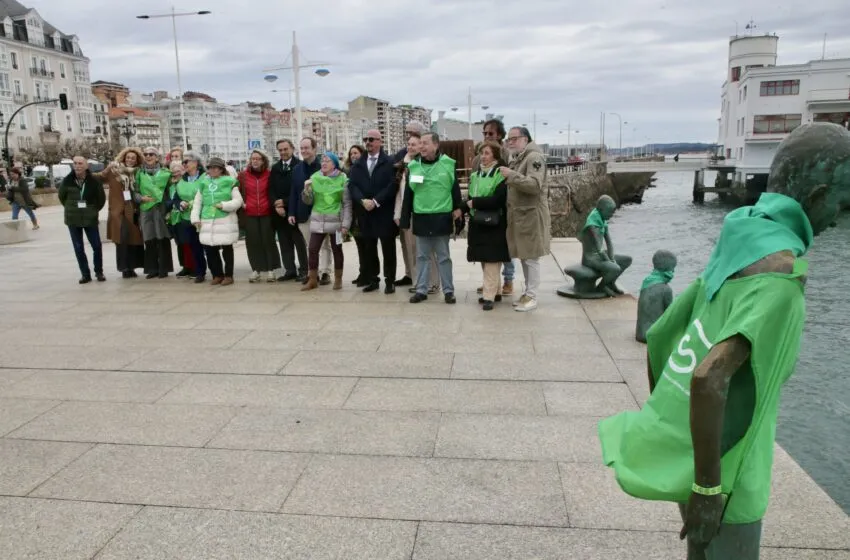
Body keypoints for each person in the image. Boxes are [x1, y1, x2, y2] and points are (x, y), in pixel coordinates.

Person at [599, 123, 847, 560]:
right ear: (817, 196)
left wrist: (678, 434)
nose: (838, 218)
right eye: (842, 203)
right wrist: (709, 487)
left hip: (696, 451)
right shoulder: (779, 279)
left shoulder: (738, 238)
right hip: (730, 473)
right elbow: (709, 376)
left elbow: (662, 334)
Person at [400, 132, 463, 304]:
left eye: (425, 143)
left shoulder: (448, 164)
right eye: (420, 143)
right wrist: (405, 219)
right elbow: (408, 196)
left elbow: (455, 190)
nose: (421, 146)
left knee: (443, 257)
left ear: (436, 145)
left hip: (442, 217)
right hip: (421, 217)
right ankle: (421, 290)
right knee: (422, 257)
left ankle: (448, 291)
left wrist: (459, 211)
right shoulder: (413, 166)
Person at [501, 126, 551, 312]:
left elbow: (535, 185)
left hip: (531, 216)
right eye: (509, 139)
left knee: (531, 258)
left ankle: (532, 295)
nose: (510, 142)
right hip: (522, 216)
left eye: (514, 139)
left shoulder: (534, 157)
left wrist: (511, 175)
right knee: (524, 256)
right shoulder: (520, 157)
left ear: (525, 139)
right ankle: (528, 293)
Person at [348, 129, 399, 294]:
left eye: (371, 139)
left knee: (388, 249)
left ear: (379, 141)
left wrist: (376, 201)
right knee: (369, 249)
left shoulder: (390, 162)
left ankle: (390, 281)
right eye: (366, 139)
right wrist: (362, 200)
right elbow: (352, 185)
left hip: (384, 212)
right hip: (365, 213)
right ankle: (373, 280)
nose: (368, 142)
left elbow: (393, 185)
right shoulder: (358, 164)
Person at [465, 141, 510, 311]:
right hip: (478, 222)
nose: (483, 157)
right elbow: (470, 197)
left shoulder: (500, 174)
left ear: (495, 156)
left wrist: (475, 203)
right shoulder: (476, 175)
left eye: (487, 153)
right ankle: (496, 291)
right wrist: (462, 208)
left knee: (492, 260)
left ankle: (488, 296)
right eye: (481, 153)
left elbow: (498, 199)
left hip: (495, 223)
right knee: (485, 258)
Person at [393, 133, 439, 293]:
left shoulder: (423, 164)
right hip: (407, 213)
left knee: (427, 250)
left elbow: (421, 187)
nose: (410, 147)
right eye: (409, 144)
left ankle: (433, 282)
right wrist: (397, 213)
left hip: (422, 211)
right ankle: (417, 281)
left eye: (414, 144)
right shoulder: (402, 166)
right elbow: (400, 193)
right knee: (411, 250)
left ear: (421, 146)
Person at [300, 152, 352, 291]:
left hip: (337, 222)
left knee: (337, 250)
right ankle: (312, 280)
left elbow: (347, 204)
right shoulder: (314, 177)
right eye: (322, 160)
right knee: (312, 249)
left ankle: (338, 279)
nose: (323, 163)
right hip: (318, 220)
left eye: (327, 161)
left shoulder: (342, 178)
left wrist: (345, 225)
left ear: (334, 164)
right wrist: (306, 190)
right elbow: (308, 201)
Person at [475, 119, 515, 296]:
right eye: (484, 133)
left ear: (499, 135)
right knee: (486, 248)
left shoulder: (507, 155)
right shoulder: (479, 156)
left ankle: (508, 280)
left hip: (503, 207)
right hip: (483, 208)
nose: (487, 136)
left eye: (490, 133)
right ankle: (490, 282)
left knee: (504, 246)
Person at [191, 157, 243, 286]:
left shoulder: (230, 181)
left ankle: (229, 275)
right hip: (207, 220)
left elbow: (238, 201)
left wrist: (224, 205)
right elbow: (197, 202)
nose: (212, 170)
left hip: (225, 219)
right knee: (210, 250)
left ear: (221, 169)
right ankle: (217, 274)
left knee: (227, 248)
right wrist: (195, 218)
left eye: (215, 168)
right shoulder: (203, 183)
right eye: (210, 168)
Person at [288, 137, 331, 285]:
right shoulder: (296, 169)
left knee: (324, 245)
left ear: (314, 149)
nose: (304, 151)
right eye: (302, 148)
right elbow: (294, 192)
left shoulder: (324, 167)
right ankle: (313, 273)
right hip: (303, 213)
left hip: (322, 212)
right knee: (310, 246)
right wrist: (291, 212)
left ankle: (325, 272)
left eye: (307, 148)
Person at [58, 156, 106, 284]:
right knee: (78, 248)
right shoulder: (67, 181)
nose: (77, 166)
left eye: (80, 163)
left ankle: (99, 272)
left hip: (90, 218)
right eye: (75, 163)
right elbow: (62, 197)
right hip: (73, 219)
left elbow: (101, 199)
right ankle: (85, 274)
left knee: (97, 246)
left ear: (86, 166)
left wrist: (93, 210)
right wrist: (71, 208)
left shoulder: (94, 181)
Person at [102, 147, 145, 278]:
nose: (130, 160)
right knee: (121, 239)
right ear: (123, 158)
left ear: (137, 160)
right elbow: (100, 177)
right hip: (118, 212)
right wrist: (107, 169)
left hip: (133, 210)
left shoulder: (138, 173)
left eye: (133, 158)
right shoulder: (114, 171)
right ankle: (124, 268)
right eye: (128, 157)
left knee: (133, 240)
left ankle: (131, 267)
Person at [239, 149, 280, 283]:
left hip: (266, 213)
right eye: (253, 159)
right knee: (252, 242)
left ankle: (270, 270)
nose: (255, 161)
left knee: (268, 241)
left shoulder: (269, 174)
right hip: (249, 213)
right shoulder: (243, 175)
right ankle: (256, 270)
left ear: (263, 161)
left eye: (258, 159)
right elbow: (236, 191)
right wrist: (242, 203)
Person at [579, 195, 632, 296]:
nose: (612, 215)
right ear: (601, 210)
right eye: (610, 212)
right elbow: (599, 248)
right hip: (590, 258)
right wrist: (610, 261)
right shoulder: (592, 225)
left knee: (627, 260)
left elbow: (609, 243)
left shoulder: (602, 221)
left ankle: (611, 283)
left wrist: (612, 258)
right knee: (615, 268)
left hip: (600, 257)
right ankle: (601, 287)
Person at [166, 157, 206, 283]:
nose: (184, 164)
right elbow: (176, 198)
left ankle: (218, 273)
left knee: (209, 247)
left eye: (186, 162)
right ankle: (199, 272)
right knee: (193, 246)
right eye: (183, 162)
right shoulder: (182, 181)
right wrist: (180, 204)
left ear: (196, 162)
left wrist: (193, 203)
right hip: (186, 218)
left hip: (203, 216)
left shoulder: (205, 177)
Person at [270, 139, 304, 282]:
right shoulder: (275, 168)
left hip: (294, 211)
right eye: (280, 150)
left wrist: (284, 202)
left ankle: (304, 270)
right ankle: (290, 270)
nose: (283, 152)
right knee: (284, 244)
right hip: (279, 213)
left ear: (292, 149)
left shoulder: (300, 166)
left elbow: (300, 190)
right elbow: (271, 189)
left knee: (300, 244)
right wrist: (276, 205)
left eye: (285, 149)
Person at [137, 147, 174, 279]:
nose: (148, 156)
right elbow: (135, 190)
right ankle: (152, 269)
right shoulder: (139, 173)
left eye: (151, 154)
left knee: (162, 238)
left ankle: (164, 268)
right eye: (146, 154)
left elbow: (171, 191)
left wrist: (168, 206)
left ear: (157, 157)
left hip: (160, 209)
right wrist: (140, 198)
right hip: (146, 210)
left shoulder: (166, 173)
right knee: (149, 238)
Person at [636, 250, 677, 343]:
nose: (673, 271)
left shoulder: (646, 282)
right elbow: (669, 315)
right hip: (652, 336)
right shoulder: (666, 289)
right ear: (667, 268)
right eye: (672, 268)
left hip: (640, 333)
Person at [344, 144, 369, 287]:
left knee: (367, 246)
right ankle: (362, 272)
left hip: (363, 211)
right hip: (353, 213)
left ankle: (368, 274)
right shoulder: (347, 171)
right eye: (351, 153)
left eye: (356, 153)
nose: (353, 156)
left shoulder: (364, 170)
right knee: (359, 245)